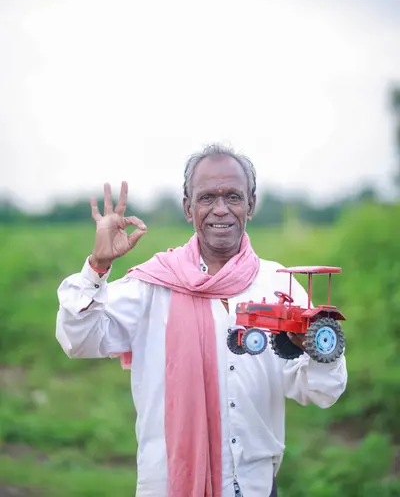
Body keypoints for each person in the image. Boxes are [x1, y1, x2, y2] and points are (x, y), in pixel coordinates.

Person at [56, 144, 347, 497]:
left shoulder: (278, 284)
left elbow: (321, 390)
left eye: (233, 197)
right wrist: (97, 267)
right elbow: (79, 341)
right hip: (167, 485)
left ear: (251, 205)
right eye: (207, 197)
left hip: (253, 486)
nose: (220, 209)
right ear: (187, 207)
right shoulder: (152, 285)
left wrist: (318, 351)